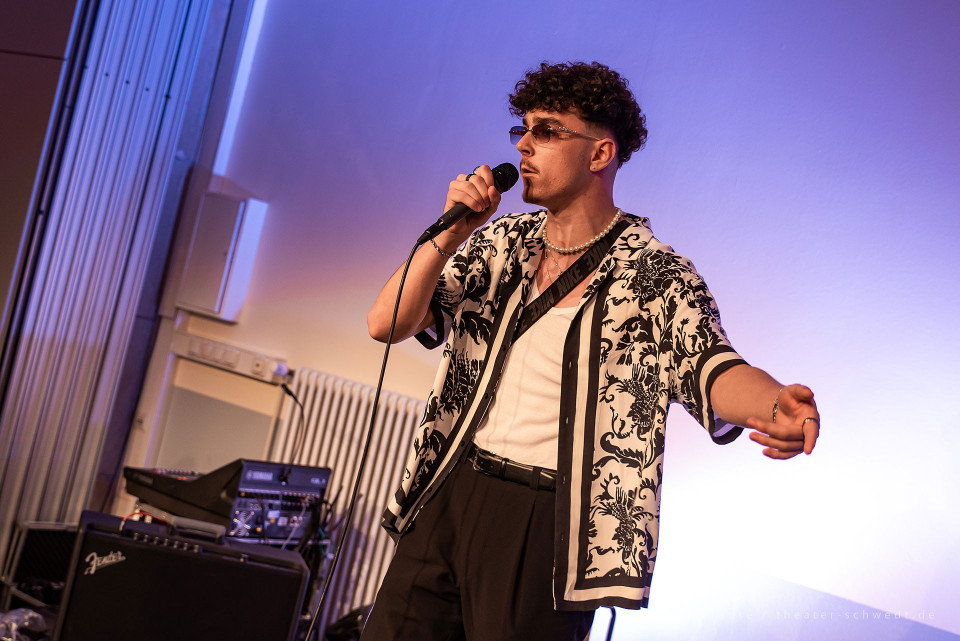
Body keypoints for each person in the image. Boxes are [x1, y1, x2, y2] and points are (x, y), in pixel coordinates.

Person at [362, 61, 820, 641]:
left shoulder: (655, 275)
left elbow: (712, 366)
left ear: (600, 154)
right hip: (453, 488)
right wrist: (449, 235)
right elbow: (385, 322)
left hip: (547, 519)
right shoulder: (501, 243)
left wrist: (774, 403)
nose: (524, 145)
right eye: (523, 130)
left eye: (547, 132)